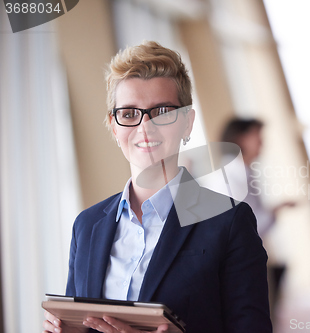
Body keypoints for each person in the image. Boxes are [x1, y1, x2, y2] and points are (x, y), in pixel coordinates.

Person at [43, 41, 272, 333]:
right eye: (128, 114)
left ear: (187, 123)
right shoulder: (87, 225)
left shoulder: (229, 222)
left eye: (162, 111)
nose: (145, 127)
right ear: (114, 128)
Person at [221, 118, 295, 316]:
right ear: (241, 139)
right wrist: (277, 209)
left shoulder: (246, 173)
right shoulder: (231, 177)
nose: (262, 143)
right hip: (241, 262)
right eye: (258, 137)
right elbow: (250, 225)